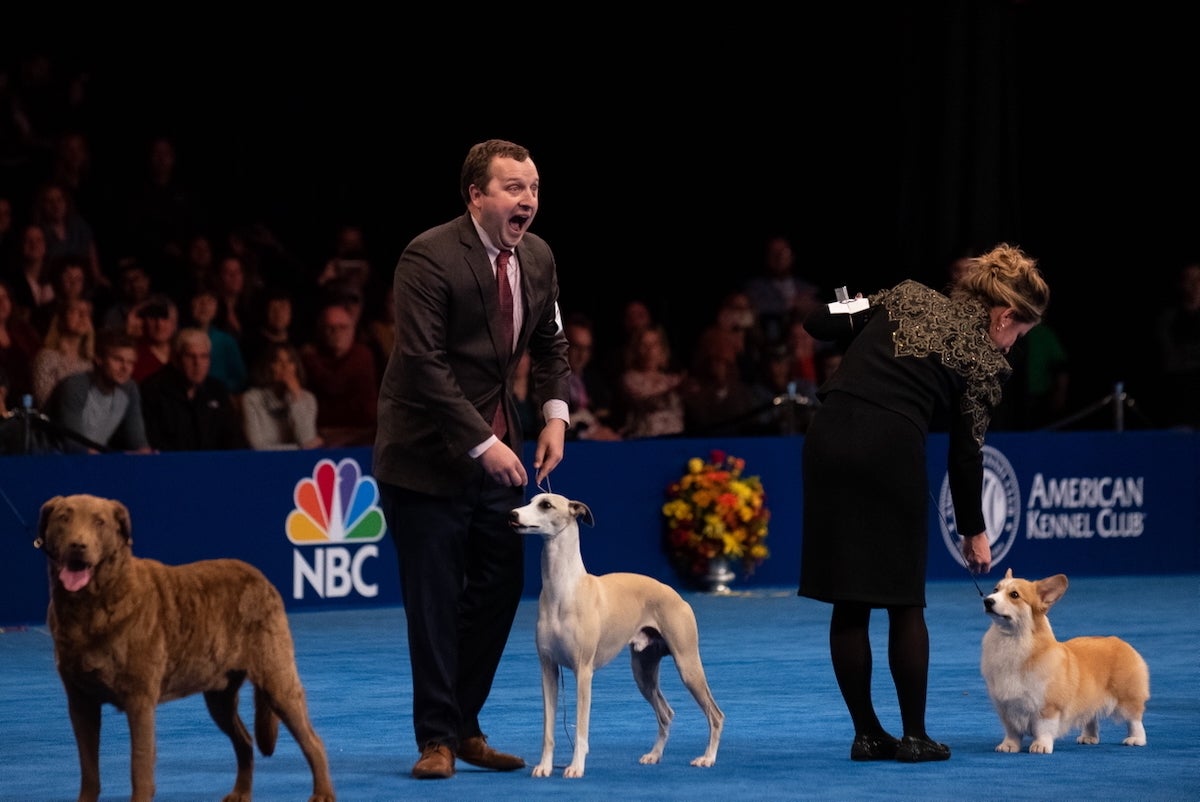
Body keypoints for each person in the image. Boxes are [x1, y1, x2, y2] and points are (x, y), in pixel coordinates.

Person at [797, 242, 1049, 763]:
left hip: (827, 436)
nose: (1011, 348)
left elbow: (816, 323)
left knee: (850, 599)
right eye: (1018, 336)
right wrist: (974, 531)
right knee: (903, 601)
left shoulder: (906, 296)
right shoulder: (984, 361)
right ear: (1004, 316)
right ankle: (914, 737)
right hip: (888, 447)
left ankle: (867, 734)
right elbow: (965, 455)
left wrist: (859, 304)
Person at [372, 139, 570, 781]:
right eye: (513, 187)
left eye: (533, 187)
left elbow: (550, 347)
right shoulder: (427, 256)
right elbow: (423, 365)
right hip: (425, 457)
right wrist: (484, 444)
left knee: (499, 586)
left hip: (500, 447)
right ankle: (435, 739)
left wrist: (553, 418)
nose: (528, 200)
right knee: (432, 602)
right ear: (476, 196)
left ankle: (464, 725)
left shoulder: (538, 257)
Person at [45, 327, 152, 454]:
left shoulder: (129, 389)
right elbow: (75, 446)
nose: (125, 368)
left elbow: (138, 443)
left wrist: (147, 455)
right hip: (52, 461)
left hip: (95, 463)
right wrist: (121, 456)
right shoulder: (75, 386)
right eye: (118, 360)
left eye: (131, 362)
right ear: (99, 359)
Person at [139, 327, 246, 452]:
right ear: (175, 359)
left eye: (204, 357)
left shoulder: (217, 390)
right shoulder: (152, 390)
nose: (198, 363)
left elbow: (235, 438)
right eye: (190, 356)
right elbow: (153, 442)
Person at [241, 342, 323, 450]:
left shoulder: (307, 399)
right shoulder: (251, 399)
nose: (285, 367)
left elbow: (307, 439)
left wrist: (296, 399)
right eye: (278, 362)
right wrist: (299, 448)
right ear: (268, 366)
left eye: (290, 361)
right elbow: (258, 447)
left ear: (296, 366)